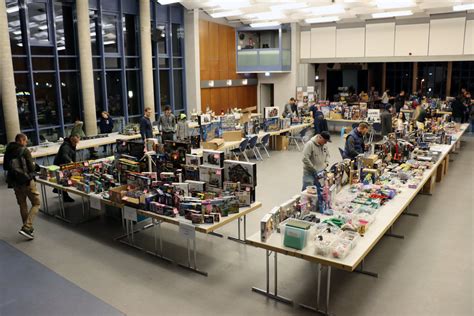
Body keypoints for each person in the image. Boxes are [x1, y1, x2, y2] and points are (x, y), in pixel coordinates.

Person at [4, 134, 41, 240]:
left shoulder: (8, 150)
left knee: (22, 204)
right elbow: (31, 167)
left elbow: (6, 167)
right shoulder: (24, 150)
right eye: (25, 141)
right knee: (36, 203)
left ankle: (28, 230)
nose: (26, 142)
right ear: (21, 140)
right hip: (26, 181)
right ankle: (27, 226)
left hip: (15, 183)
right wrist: (35, 166)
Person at [53, 134, 80, 203]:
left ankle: (57, 189)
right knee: (64, 179)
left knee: (64, 178)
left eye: (77, 142)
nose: (76, 144)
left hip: (65, 164)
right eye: (75, 142)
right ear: (71, 140)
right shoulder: (66, 146)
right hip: (60, 164)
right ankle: (65, 197)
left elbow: (73, 154)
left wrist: (75, 164)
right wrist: (71, 161)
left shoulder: (72, 144)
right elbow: (64, 155)